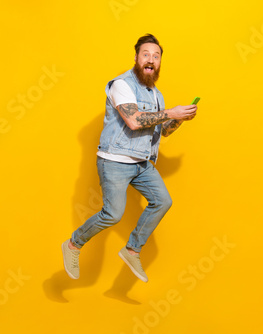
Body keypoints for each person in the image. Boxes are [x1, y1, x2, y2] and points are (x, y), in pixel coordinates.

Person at [62, 34, 198, 282]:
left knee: (162, 201)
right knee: (113, 214)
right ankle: (73, 244)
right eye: (146, 54)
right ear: (136, 58)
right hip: (115, 160)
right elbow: (135, 121)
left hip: (142, 164)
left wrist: (179, 119)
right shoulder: (121, 85)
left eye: (156, 57)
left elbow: (163, 130)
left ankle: (132, 249)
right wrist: (170, 112)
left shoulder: (157, 94)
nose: (151, 60)